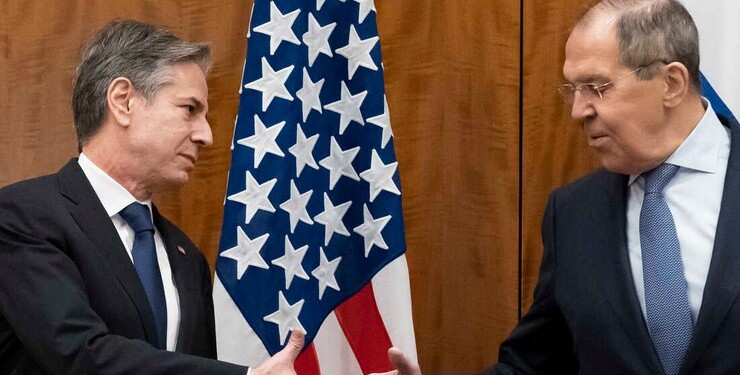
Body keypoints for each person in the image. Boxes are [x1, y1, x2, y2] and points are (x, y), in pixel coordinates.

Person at [375, 0, 740, 374]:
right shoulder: (573, 214)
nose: (578, 111)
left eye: (596, 87)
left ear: (671, 83)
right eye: (574, 89)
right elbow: (533, 365)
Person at [0, 19, 303, 374]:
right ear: (123, 101)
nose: (206, 135)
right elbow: (79, 355)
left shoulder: (187, 257)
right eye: (190, 109)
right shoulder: (23, 216)